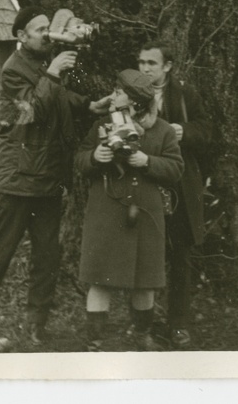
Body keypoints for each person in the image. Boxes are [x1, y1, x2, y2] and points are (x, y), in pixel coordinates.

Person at [0, 6, 110, 343]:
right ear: (21, 36)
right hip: (19, 176)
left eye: (49, 28)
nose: (47, 34)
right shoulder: (13, 70)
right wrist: (54, 73)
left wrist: (88, 106)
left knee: (47, 255)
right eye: (39, 30)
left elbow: (59, 99)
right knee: (1, 250)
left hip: (47, 174)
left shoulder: (44, 64)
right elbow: (34, 110)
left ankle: (36, 324)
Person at [76, 69, 184, 351]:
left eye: (119, 92)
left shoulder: (162, 130)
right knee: (100, 279)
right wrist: (94, 157)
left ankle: (142, 336)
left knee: (145, 281)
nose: (114, 96)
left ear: (135, 101)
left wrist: (147, 161)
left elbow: (176, 169)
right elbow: (79, 160)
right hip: (106, 212)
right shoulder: (102, 125)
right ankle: (95, 341)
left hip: (146, 214)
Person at [138, 41, 215, 348]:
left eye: (151, 64)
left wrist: (186, 132)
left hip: (180, 186)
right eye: (141, 62)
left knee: (180, 254)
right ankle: (142, 322)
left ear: (167, 67)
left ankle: (178, 323)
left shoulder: (184, 95)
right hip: (142, 182)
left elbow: (208, 131)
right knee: (144, 253)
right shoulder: (131, 93)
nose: (144, 69)